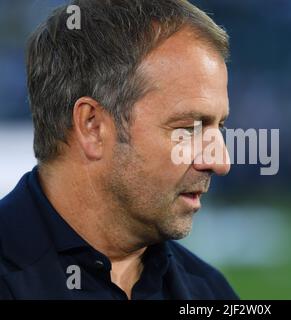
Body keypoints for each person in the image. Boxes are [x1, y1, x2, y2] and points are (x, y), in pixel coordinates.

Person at [0, 0, 238, 300]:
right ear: (93, 125)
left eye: (220, 127)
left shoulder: (208, 291)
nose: (220, 161)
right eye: (189, 129)